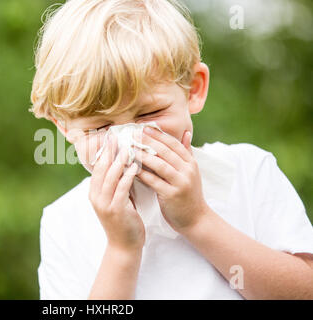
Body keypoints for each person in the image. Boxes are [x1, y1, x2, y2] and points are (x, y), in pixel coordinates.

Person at [30, 0, 313, 299]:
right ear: (65, 127)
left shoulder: (246, 171)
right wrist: (121, 249)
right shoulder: (64, 221)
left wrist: (198, 219)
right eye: (100, 127)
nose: (129, 139)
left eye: (149, 113)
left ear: (194, 89)